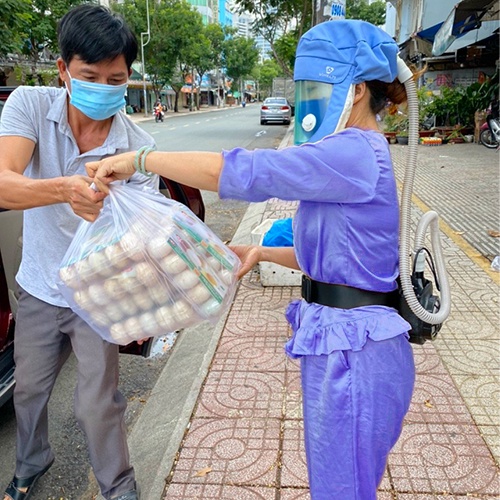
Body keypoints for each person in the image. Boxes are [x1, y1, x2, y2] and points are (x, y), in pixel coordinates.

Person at [87, 20, 416, 500]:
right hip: (348, 342)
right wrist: (261, 251)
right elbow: (335, 258)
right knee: (343, 481)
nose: (307, 101)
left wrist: (141, 161)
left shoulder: (353, 152)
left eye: (314, 88)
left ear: (357, 89)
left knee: (341, 487)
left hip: (356, 353)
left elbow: (249, 171)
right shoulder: (351, 154)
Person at [0, 5, 158, 500]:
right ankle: (31, 461)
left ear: (129, 77)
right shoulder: (29, 104)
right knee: (27, 390)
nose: (103, 88)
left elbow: (147, 233)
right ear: (64, 71)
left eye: (116, 78)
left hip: (98, 293)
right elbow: (4, 184)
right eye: (90, 75)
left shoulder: (137, 147)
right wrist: (66, 190)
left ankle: (119, 488)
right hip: (40, 287)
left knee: (98, 403)